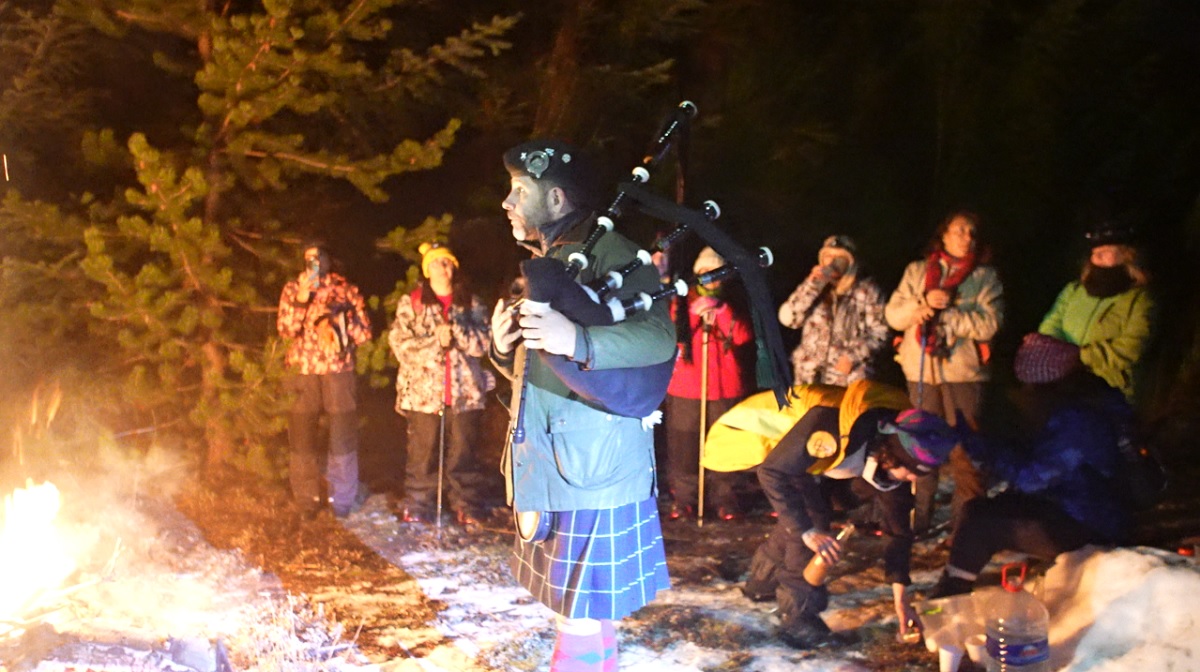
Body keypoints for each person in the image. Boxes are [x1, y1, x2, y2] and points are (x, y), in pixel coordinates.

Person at [490, 140, 676, 672]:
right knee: (581, 609)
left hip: (591, 466)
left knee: (578, 612)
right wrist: (503, 349)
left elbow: (658, 339)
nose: (507, 202)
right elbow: (543, 371)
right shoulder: (551, 260)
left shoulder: (615, 254)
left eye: (519, 191)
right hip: (558, 463)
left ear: (557, 200)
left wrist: (578, 340)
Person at [704, 381, 958, 649]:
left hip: (806, 460)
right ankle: (797, 617)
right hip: (754, 437)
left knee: (807, 517)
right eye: (910, 472)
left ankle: (761, 583)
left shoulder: (892, 450)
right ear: (890, 457)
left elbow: (898, 531)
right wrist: (807, 532)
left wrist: (901, 600)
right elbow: (773, 472)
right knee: (810, 521)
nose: (912, 480)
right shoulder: (831, 427)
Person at [928, 332, 1136, 598]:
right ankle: (953, 589)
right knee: (978, 511)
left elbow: (1032, 477)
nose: (1025, 391)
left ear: (1049, 381)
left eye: (1029, 385)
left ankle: (948, 597)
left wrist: (986, 450)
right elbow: (1035, 460)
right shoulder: (1072, 407)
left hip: (1092, 522)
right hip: (1070, 505)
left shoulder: (1080, 422)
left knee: (982, 524)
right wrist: (982, 444)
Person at [885, 211, 1004, 536]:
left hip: (963, 372)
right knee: (919, 444)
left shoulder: (984, 277)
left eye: (972, 232)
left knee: (966, 448)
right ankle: (919, 517)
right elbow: (894, 315)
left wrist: (950, 313)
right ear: (944, 235)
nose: (967, 237)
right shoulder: (917, 271)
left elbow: (990, 323)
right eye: (960, 230)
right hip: (920, 369)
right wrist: (921, 304)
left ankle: (966, 523)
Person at [388, 242, 492, 525]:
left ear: (454, 268)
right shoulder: (412, 303)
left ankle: (466, 505)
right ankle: (419, 504)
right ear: (426, 270)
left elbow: (485, 344)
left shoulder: (471, 303)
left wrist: (458, 332)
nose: (441, 268)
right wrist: (436, 342)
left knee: (464, 453)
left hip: (465, 393)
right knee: (423, 453)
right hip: (422, 394)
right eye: (435, 263)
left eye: (446, 262)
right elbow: (401, 345)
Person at [276, 241, 372, 519]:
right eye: (309, 258)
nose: (315, 262)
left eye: (320, 257)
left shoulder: (346, 290)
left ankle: (341, 500)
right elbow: (286, 330)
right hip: (302, 370)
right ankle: (307, 499)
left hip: (338, 371)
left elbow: (365, 334)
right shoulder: (293, 289)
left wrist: (339, 321)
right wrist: (301, 299)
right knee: (302, 437)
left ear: (329, 260)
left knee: (342, 437)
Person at [663, 246, 755, 521]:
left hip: (725, 387)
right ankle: (685, 499)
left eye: (716, 273)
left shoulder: (734, 302)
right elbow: (671, 334)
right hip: (686, 386)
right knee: (684, 447)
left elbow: (742, 336)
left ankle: (725, 499)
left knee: (724, 444)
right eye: (705, 272)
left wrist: (722, 311)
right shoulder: (680, 302)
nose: (710, 279)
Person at [1038, 219, 1154, 403]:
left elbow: (1132, 347)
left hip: (1110, 391)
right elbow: (1050, 325)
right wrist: (1058, 355)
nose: (1097, 254)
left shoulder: (1139, 300)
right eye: (1094, 251)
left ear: (1127, 255)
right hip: (1063, 381)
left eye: (1106, 250)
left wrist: (1082, 357)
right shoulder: (1074, 290)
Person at [778, 234, 889, 386]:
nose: (831, 262)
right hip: (809, 376)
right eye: (828, 256)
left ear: (850, 262)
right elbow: (790, 319)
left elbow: (880, 332)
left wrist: (853, 356)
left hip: (846, 377)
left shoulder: (867, 291)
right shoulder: (815, 288)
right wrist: (811, 285)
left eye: (839, 258)